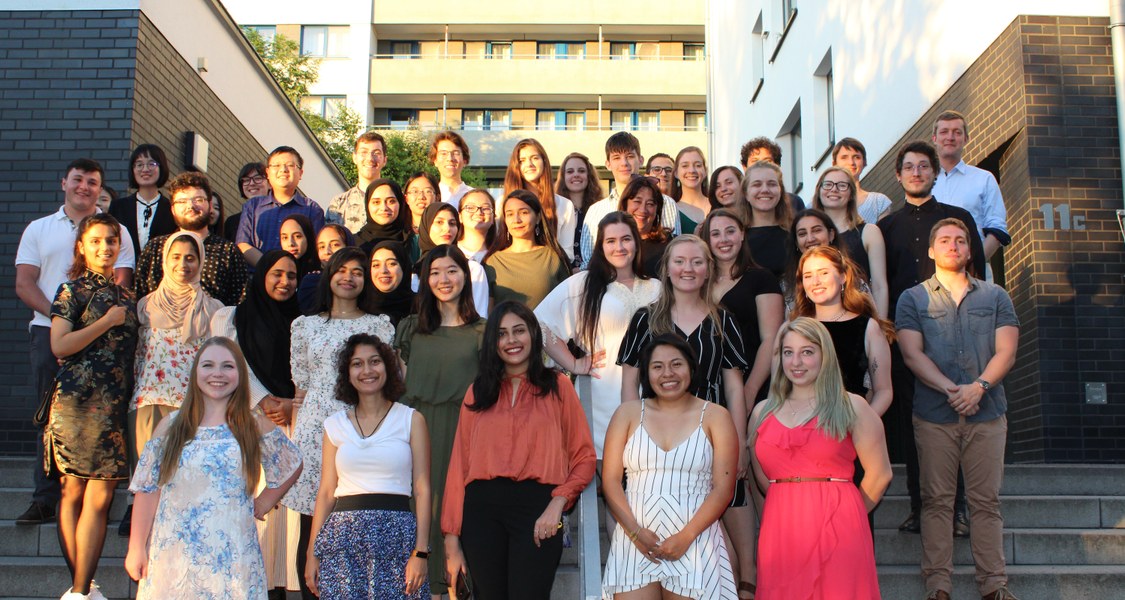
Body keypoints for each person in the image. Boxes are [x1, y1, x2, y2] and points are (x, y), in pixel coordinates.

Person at [896, 219, 1020, 600]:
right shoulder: (912, 298)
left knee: (986, 502)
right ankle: (938, 585)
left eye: (961, 241)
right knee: (936, 501)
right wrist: (953, 389)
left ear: (970, 250)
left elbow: (1007, 351)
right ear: (931, 251)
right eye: (945, 240)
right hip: (935, 414)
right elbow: (911, 354)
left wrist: (979, 387)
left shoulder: (996, 296)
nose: (953, 246)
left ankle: (994, 585)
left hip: (987, 413)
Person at [124, 337, 303, 599]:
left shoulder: (253, 424)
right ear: (196, 372)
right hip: (174, 556)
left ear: (239, 374)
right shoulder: (171, 426)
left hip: (231, 556)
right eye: (208, 365)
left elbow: (292, 463)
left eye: (227, 366)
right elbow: (148, 489)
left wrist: (264, 502)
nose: (217, 373)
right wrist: (137, 546)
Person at [442, 302, 597, 599]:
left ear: (533, 335)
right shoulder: (478, 391)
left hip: (539, 511)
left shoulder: (558, 386)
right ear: (492, 343)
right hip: (481, 512)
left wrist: (558, 504)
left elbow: (584, 457)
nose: (511, 340)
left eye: (518, 331)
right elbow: (459, 465)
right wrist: (451, 538)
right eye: (501, 334)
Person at [14, 159, 135, 526]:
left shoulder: (118, 231)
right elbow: (24, 284)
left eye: (93, 182)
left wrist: (86, 325)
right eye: (78, 180)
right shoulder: (39, 229)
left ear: (101, 188)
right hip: (49, 332)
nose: (84, 187)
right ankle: (45, 497)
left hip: (105, 343)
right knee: (50, 416)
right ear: (64, 181)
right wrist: (62, 319)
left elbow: (122, 286)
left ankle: (97, 487)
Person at [878, 140, 986, 535]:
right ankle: (920, 507)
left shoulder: (957, 219)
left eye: (925, 166)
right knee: (913, 423)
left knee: (955, 418)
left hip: (957, 327)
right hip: (906, 334)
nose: (917, 173)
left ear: (936, 172)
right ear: (899, 175)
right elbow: (882, 281)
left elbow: (979, 272)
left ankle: (957, 509)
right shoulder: (887, 227)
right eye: (909, 167)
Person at [749, 317, 892, 599]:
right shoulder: (761, 412)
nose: (796, 362)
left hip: (840, 528)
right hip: (781, 530)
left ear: (824, 355)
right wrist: (791, 505)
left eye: (807, 352)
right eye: (788, 352)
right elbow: (762, 479)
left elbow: (880, 474)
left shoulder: (852, 405)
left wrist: (847, 515)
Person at [284, 247, 396, 599]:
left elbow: (386, 377)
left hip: (364, 425)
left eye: (357, 271)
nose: (349, 277)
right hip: (315, 428)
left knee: (360, 516)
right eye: (341, 269)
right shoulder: (305, 325)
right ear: (329, 275)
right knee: (312, 523)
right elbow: (300, 386)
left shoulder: (378, 325)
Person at [601, 334, 739, 599]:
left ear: (691, 368)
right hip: (635, 540)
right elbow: (610, 481)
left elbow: (723, 489)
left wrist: (686, 537)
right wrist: (635, 532)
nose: (668, 373)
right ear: (646, 373)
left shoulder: (716, 416)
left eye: (676, 364)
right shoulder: (627, 414)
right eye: (657, 366)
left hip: (694, 539)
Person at [45, 213, 138, 600]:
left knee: (101, 497)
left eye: (112, 241)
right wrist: (107, 322)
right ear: (82, 246)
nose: (105, 248)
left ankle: (81, 588)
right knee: (72, 492)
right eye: (97, 241)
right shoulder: (71, 290)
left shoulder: (130, 297)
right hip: (76, 404)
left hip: (114, 406)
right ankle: (82, 590)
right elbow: (59, 346)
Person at [306, 334, 431, 599]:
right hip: (342, 541)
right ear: (347, 373)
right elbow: (327, 492)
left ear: (387, 366)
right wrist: (311, 553)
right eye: (357, 364)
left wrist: (420, 552)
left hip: (397, 538)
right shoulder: (334, 425)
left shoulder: (411, 419)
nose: (367, 370)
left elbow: (421, 489)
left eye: (375, 361)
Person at [618, 235, 749, 485]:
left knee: (725, 512)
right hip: (657, 434)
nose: (688, 269)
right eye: (679, 261)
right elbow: (629, 383)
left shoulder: (724, 321)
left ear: (708, 270)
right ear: (667, 269)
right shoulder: (645, 319)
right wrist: (634, 435)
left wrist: (739, 441)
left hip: (713, 435)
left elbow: (734, 388)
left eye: (697, 262)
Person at [210, 250, 303, 597]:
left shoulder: (302, 320)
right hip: (247, 425)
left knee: (285, 526)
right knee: (254, 517)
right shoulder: (233, 317)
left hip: (290, 425)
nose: (284, 281)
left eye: (292, 275)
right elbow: (225, 365)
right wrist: (263, 399)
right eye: (277, 273)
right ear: (262, 274)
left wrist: (292, 405)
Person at [394, 244, 486, 595]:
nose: (444, 279)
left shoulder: (482, 330)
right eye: (435, 272)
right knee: (420, 510)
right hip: (415, 433)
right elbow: (396, 384)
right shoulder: (411, 328)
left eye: (452, 270)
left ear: (465, 275)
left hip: (464, 435)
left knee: (456, 514)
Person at [700, 208, 783, 595]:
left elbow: (771, 339)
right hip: (710, 399)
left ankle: (772, 576)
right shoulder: (698, 282)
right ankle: (740, 578)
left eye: (730, 231)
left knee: (760, 487)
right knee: (730, 487)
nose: (723, 239)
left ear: (741, 234)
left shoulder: (760, 278)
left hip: (758, 392)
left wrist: (748, 395)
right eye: (715, 233)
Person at [536, 211, 661, 456]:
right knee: (604, 470)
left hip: (655, 392)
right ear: (600, 247)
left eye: (626, 239)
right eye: (611, 241)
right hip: (603, 393)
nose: (619, 247)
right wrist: (572, 362)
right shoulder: (584, 284)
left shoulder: (657, 288)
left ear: (636, 242)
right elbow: (539, 322)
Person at [128, 231, 224, 533]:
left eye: (191, 258)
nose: (184, 264)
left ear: (201, 262)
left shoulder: (214, 308)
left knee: (184, 488)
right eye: (176, 257)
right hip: (150, 403)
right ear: (165, 260)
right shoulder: (145, 305)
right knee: (150, 483)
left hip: (194, 407)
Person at [792, 245, 893, 414]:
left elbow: (884, 391)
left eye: (824, 273)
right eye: (808, 276)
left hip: (850, 423)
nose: (815, 281)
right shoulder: (793, 329)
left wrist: (861, 425)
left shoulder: (868, 328)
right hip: (802, 426)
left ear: (843, 276)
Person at [135, 171, 248, 306]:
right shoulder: (156, 247)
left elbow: (240, 303)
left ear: (210, 205)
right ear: (173, 209)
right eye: (182, 201)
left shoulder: (228, 251)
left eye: (198, 200)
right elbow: (140, 295)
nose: (191, 206)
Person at [579, 132, 681, 268]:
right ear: (608, 164)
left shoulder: (666, 203)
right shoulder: (596, 211)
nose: (624, 163)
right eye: (617, 158)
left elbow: (673, 252)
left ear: (641, 160)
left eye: (630, 156)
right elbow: (588, 262)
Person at [931, 110, 1011, 267]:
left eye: (957, 132)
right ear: (934, 138)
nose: (950, 137)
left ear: (966, 138)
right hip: (931, 277)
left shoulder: (984, 179)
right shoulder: (923, 183)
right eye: (944, 132)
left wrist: (974, 263)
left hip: (974, 276)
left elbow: (996, 228)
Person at [811, 166, 889, 317]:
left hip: (860, 317)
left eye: (842, 185)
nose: (834, 189)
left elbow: (880, 286)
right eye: (828, 184)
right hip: (820, 322)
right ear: (819, 191)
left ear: (851, 194)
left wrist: (881, 325)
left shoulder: (869, 232)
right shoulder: (810, 236)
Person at [236, 146, 326, 267]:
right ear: (267, 173)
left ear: (300, 173)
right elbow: (243, 244)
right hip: (256, 279)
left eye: (290, 165)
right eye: (276, 165)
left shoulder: (312, 209)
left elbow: (315, 252)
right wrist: (270, 268)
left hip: (296, 279)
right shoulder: (252, 206)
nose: (283, 170)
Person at [484, 190, 570, 310]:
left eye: (524, 212)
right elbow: (487, 313)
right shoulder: (493, 262)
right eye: (509, 214)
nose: (516, 220)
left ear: (538, 217)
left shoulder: (553, 257)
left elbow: (568, 306)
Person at [503, 138, 578, 262]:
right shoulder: (502, 203)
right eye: (522, 160)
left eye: (535, 158)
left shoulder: (564, 205)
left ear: (544, 161)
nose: (529, 164)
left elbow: (568, 252)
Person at [413, 202, 491, 317]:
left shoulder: (472, 269)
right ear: (426, 225)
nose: (447, 228)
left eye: (452, 223)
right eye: (439, 222)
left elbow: (480, 317)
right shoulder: (415, 272)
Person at [109, 143, 176, 259]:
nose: (145, 169)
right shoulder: (118, 207)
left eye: (151, 164)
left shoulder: (172, 209)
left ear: (162, 167)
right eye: (139, 165)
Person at [327, 131, 388, 234]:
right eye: (364, 152)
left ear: (384, 160)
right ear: (354, 157)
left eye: (376, 153)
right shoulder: (339, 204)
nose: (370, 158)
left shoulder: (396, 202)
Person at [743, 160, 794, 281]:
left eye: (771, 184)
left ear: (780, 191)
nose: (765, 190)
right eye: (757, 184)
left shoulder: (795, 234)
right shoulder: (736, 238)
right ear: (745, 193)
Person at [618, 175, 673, 278]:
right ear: (625, 205)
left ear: (657, 210)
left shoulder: (670, 246)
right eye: (637, 202)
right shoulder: (613, 243)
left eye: (650, 204)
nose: (643, 210)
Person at [555, 152, 604, 265]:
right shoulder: (555, 209)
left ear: (589, 176)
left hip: (593, 273)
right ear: (563, 177)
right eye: (570, 171)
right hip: (562, 275)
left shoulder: (600, 209)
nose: (576, 175)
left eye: (581, 171)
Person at [297, 224, 355, 315]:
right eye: (321, 247)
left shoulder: (359, 280)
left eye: (335, 244)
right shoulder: (311, 282)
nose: (327, 251)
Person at [832, 137, 892, 224]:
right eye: (844, 157)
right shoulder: (819, 204)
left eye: (856, 157)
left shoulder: (878, 202)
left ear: (864, 162)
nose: (851, 162)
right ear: (834, 164)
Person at [739, 137, 804, 213]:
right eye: (755, 161)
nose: (761, 165)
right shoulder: (736, 206)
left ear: (777, 166)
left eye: (767, 161)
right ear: (744, 167)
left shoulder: (794, 203)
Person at [356, 178, 412, 254]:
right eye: (376, 202)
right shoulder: (353, 243)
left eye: (391, 201)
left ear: (400, 204)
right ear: (367, 205)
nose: (384, 208)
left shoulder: (413, 242)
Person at [369, 241, 416, 327]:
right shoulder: (360, 307)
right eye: (376, 265)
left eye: (392, 264)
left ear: (404, 267)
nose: (383, 271)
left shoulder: (422, 307)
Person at [224, 162, 269, 243]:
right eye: (246, 180)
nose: (251, 183)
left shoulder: (278, 215)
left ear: (270, 184)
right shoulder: (232, 222)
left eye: (258, 178)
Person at [672, 146, 710, 234]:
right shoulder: (671, 212)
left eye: (698, 165)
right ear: (676, 173)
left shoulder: (718, 206)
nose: (692, 170)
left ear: (705, 171)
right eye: (685, 166)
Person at [430, 131, 472, 207]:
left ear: (464, 160)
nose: (450, 158)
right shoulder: (430, 196)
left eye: (456, 153)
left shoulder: (474, 196)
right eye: (443, 153)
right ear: (435, 160)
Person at [456, 188, 496, 263]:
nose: (479, 212)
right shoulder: (449, 252)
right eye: (470, 208)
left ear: (494, 217)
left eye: (486, 208)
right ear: (460, 216)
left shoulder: (502, 255)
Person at [279, 214, 321, 282]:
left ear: (308, 237)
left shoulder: (320, 274)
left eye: (297, 236)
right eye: (285, 238)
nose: (290, 243)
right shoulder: (277, 271)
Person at [404, 172, 440, 236]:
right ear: (406, 198)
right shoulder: (397, 231)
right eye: (415, 191)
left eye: (428, 191)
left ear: (437, 198)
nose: (421, 197)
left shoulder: (443, 230)